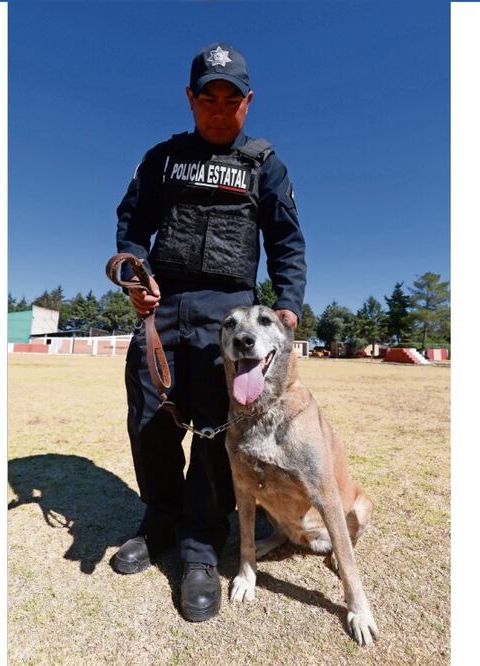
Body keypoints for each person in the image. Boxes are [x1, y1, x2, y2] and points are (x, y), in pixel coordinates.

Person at [112, 42, 306, 623]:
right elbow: (132, 228)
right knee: (149, 420)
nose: (219, 110)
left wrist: (288, 308)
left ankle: (200, 545)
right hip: (163, 306)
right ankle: (159, 520)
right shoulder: (163, 159)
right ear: (190, 99)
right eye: (208, 98)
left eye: (231, 99)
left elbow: (287, 244)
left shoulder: (264, 163)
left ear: (248, 102)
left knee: (215, 430)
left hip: (231, 313)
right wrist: (132, 274)